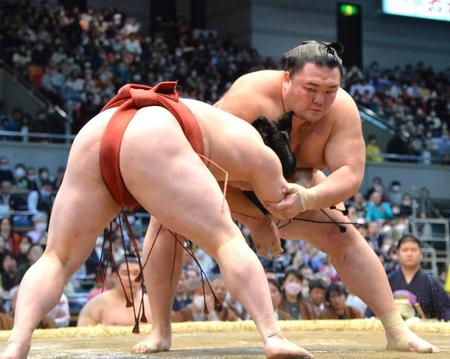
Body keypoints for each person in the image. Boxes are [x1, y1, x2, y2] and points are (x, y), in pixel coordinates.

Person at [143, 41, 438, 354]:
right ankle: (160, 330)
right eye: (310, 88)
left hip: (292, 189)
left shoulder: (342, 110)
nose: (320, 100)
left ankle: (396, 329)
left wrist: (309, 198)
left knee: (342, 233)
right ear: (286, 79)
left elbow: (350, 174)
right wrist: (257, 221)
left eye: (330, 90)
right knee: (164, 219)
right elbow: (211, 170)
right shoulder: (249, 97)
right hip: (218, 182)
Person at [1, 81, 311, 359]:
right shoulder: (268, 158)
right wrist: (262, 221)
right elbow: (278, 206)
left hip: (100, 129)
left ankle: (17, 343)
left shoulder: (225, 128)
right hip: (154, 131)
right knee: (226, 240)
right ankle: (273, 336)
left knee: (57, 256)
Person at [388, 234, 450, 321]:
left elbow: (446, 312)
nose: (409, 254)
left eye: (413, 250)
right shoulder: (387, 281)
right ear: (398, 253)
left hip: (424, 332)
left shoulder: (432, 283)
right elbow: (372, 314)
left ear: (421, 253)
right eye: (405, 250)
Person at [78, 258, 151, 326]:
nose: (132, 279)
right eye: (126, 274)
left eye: (136, 274)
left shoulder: (152, 303)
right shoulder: (96, 304)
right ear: (115, 277)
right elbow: (82, 335)